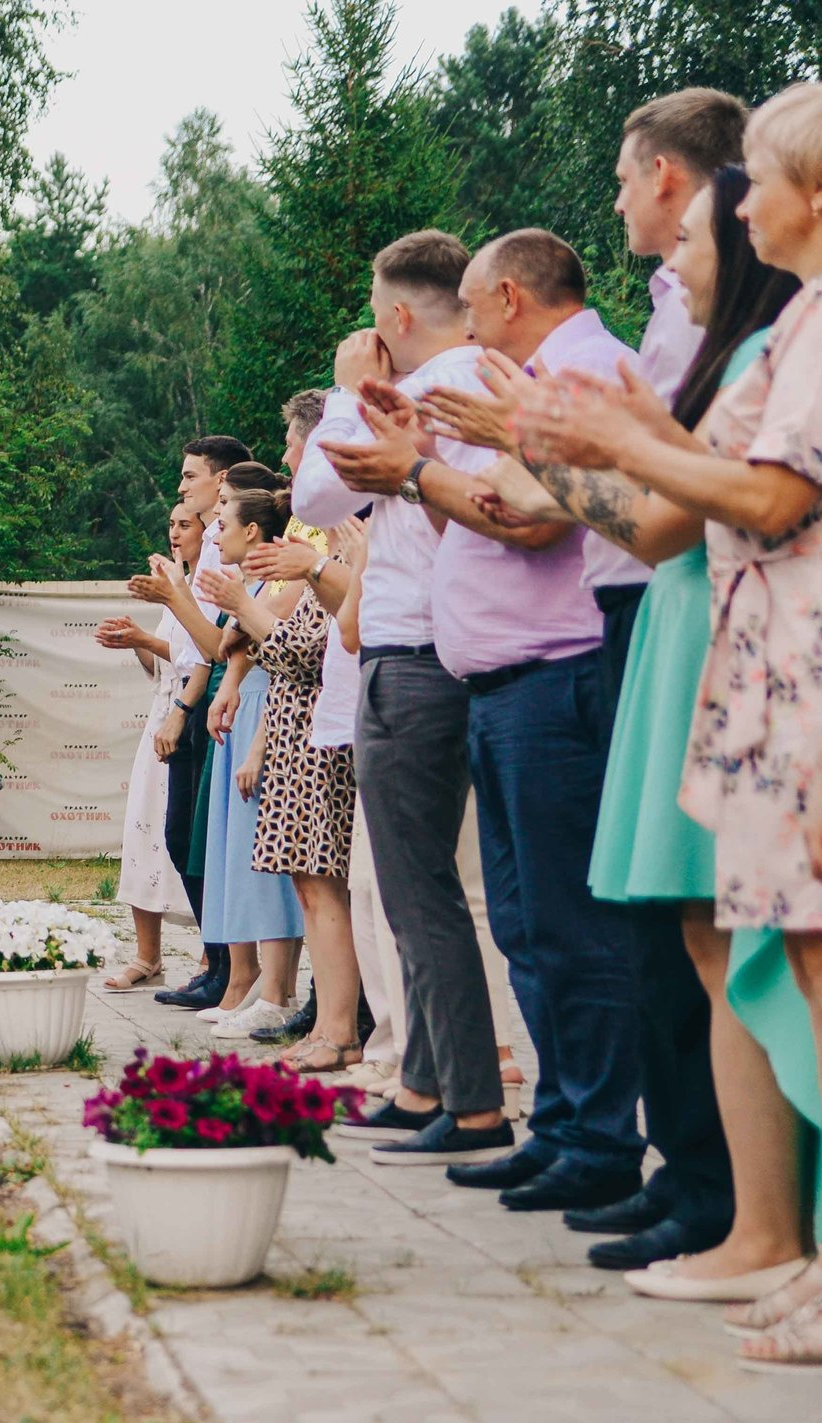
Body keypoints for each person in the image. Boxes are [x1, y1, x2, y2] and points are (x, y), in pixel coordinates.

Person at [533, 82, 822, 1369]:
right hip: (774, 674)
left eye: (760, 178)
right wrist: (601, 432)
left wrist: (603, 434)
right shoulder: (810, 323)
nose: (739, 201)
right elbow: (687, 474)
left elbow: (766, 494)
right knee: (804, 961)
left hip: (818, 672)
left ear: (821, 191)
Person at [464, 167, 810, 1286]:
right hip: (676, 624)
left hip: (711, 632)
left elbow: (685, 509)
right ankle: (711, 1186)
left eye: (694, 239)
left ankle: (742, 1207)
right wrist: (566, 442)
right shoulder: (731, 355)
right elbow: (664, 506)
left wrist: (559, 441)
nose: (668, 260)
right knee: (681, 938)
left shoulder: (774, 354)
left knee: (702, 938)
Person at [330, 229, 645, 1212]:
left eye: (469, 310)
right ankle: (563, 1125)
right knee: (526, 925)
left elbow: (540, 514)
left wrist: (417, 470)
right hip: (506, 681)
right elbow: (487, 511)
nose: (461, 331)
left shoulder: (578, 371)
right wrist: (420, 466)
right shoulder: (535, 373)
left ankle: (596, 1137)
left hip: (553, 675)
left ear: (507, 297)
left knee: (567, 929)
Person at [302, 231, 521, 1166]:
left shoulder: (429, 386)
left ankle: (468, 1103)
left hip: (414, 656)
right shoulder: (480, 373)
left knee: (415, 887)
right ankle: (425, 1080)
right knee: (423, 884)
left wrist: (351, 388)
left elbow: (313, 497)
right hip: (447, 652)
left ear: (393, 318)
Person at [209, 511, 365, 1074]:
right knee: (310, 890)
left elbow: (308, 653)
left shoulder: (341, 560)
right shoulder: (319, 571)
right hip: (296, 736)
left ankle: (341, 1028)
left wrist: (242, 605)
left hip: (319, 743)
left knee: (326, 891)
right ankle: (330, 1025)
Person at [192, 480, 305, 1040]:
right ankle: (256, 984)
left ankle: (276, 990)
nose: (217, 533)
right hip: (253, 703)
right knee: (241, 854)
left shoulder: (279, 583)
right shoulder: (257, 584)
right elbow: (231, 647)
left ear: (253, 531)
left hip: (273, 707)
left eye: (225, 522)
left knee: (270, 858)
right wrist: (229, 681)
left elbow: (254, 644)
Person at [151, 437, 254, 1012]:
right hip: (199, 691)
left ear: (221, 480)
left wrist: (186, 707)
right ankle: (217, 961)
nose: (183, 487)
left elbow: (216, 643)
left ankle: (228, 966)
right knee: (185, 838)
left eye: (190, 477)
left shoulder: (227, 542)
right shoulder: (211, 544)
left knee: (200, 840)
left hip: (209, 694)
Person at [96, 503, 201, 988]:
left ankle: (211, 955)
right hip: (158, 718)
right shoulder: (175, 588)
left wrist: (146, 637)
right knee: (144, 830)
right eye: (172, 525)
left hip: (193, 718)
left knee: (190, 837)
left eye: (185, 526)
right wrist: (133, 640)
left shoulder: (207, 586)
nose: (175, 534)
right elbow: (163, 664)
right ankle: (148, 955)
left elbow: (203, 654)